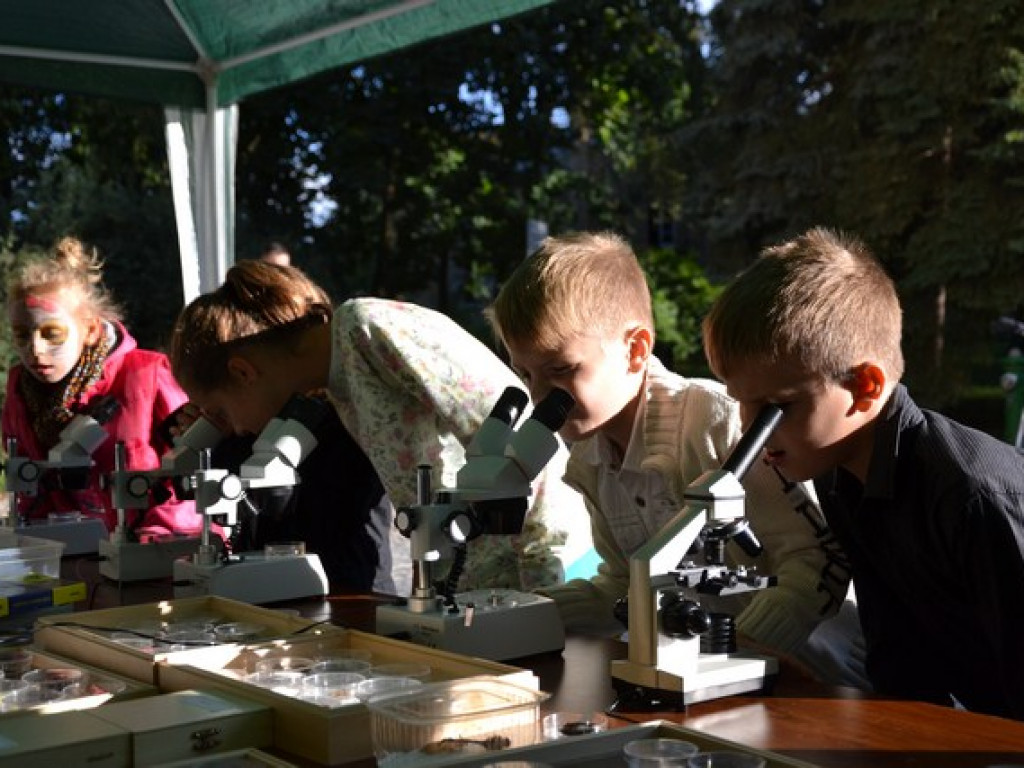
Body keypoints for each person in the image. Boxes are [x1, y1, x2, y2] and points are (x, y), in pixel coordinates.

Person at [486, 230, 862, 685]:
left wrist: (737, 651)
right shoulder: (589, 459)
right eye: (526, 374)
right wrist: (515, 614)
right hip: (706, 679)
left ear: (635, 350)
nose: (541, 397)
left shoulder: (717, 425)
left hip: (817, 677)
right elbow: (626, 586)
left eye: (560, 370)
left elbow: (817, 561)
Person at [701, 226, 1024, 719]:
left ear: (865, 387)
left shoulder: (972, 497)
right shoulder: (842, 474)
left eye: (775, 408)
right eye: (742, 406)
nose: (752, 432)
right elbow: (902, 658)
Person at [167, 260, 591, 596]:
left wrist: (542, 576)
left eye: (220, 413)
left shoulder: (366, 329)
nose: (234, 429)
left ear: (242, 372)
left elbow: (520, 437)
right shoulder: (337, 387)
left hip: (538, 570)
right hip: (467, 584)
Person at [2, 236, 200, 539]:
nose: (35, 349)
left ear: (91, 330)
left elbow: (190, 467)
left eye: (51, 333)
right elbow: (32, 490)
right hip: (67, 552)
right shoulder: (20, 387)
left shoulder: (147, 373)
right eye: (21, 335)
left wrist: (152, 540)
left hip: (154, 548)